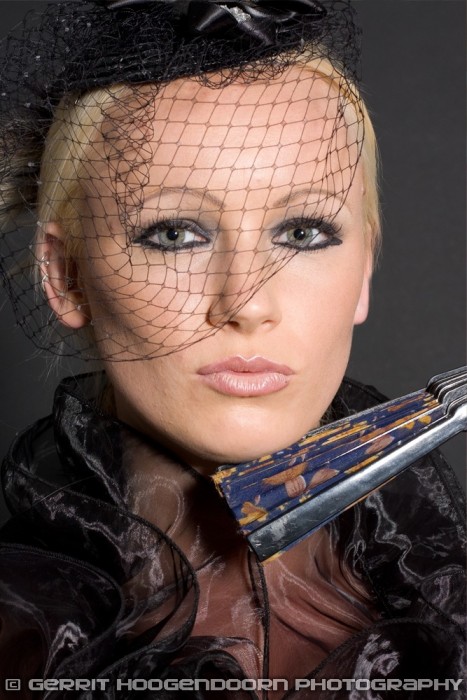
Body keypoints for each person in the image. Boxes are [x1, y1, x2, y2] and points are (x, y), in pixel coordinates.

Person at [0, 1, 464, 698]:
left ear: (364, 270)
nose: (246, 303)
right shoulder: (25, 640)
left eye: (302, 233)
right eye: (175, 234)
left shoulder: (438, 598)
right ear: (66, 278)